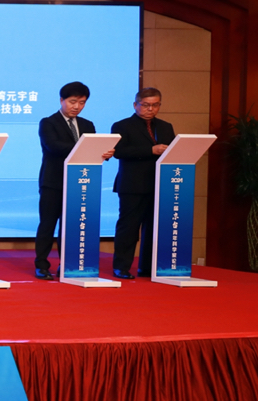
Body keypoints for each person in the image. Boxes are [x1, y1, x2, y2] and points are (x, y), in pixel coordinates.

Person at [34, 81, 113, 280]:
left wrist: (105, 152)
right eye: (72, 101)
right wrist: (87, 148)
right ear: (62, 100)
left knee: (71, 226)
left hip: (79, 185)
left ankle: (67, 263)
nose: (77, 106)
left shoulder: (87, 125)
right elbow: (54, 147)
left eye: (82, 102)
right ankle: (41, 265)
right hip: (53, 182)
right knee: (47, 225)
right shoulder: (48, 122)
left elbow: (93, 150)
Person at [111, 87, 175, 279]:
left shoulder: (166, 126)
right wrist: (151, 150)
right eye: (146, 105)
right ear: (135, 105)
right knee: (129, 227)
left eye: (155, 105)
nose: (150, 109)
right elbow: (120, 152)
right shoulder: (122, 126)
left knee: (154, 227)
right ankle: (121, 266)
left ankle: (147, 267)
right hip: (132, 185)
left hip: (159, 185)